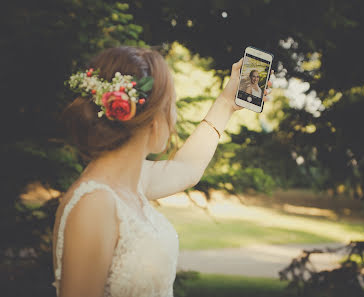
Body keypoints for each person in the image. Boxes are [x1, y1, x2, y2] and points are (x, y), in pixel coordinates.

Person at [51, 46, 273, 297]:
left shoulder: (129, 181)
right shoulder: (95, 203)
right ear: (153, 119)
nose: (174, 116)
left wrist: (226, 103)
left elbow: (186, 168)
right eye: (172, 104)